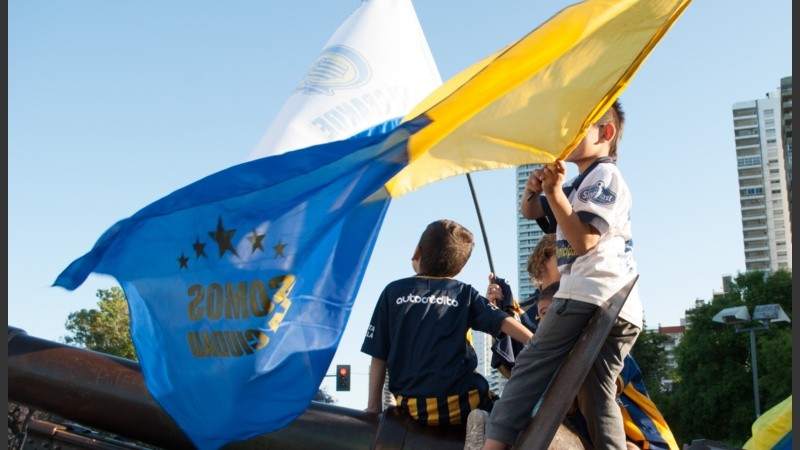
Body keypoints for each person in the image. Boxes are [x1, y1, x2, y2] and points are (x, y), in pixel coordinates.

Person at [480, 99, 644, 449]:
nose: (565, 135)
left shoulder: (605, 174)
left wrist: (554, 192)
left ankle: (493, 446)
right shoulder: (581, 183)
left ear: (607, 133)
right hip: (622, 304)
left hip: (591, 291)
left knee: (532, 366)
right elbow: (530, 212)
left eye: (578, 126)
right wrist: (536, 189)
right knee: (594, 390)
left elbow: (584, 240)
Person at [483, 232, 678, 450]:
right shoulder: (552, 320)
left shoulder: (600, 323)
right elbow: (522, 372)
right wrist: (501, 316)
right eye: (548, 289)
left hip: (642, 438)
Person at [361, 219, 534, 426]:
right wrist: (538, 343)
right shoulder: (463, 292)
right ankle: (485, 427)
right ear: (459, 271)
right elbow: (503, 321)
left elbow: (378, 356)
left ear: (417, 252)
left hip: (413, 406)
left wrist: (373, 408)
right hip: (464, 402)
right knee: (508, 413)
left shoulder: (393, 292)